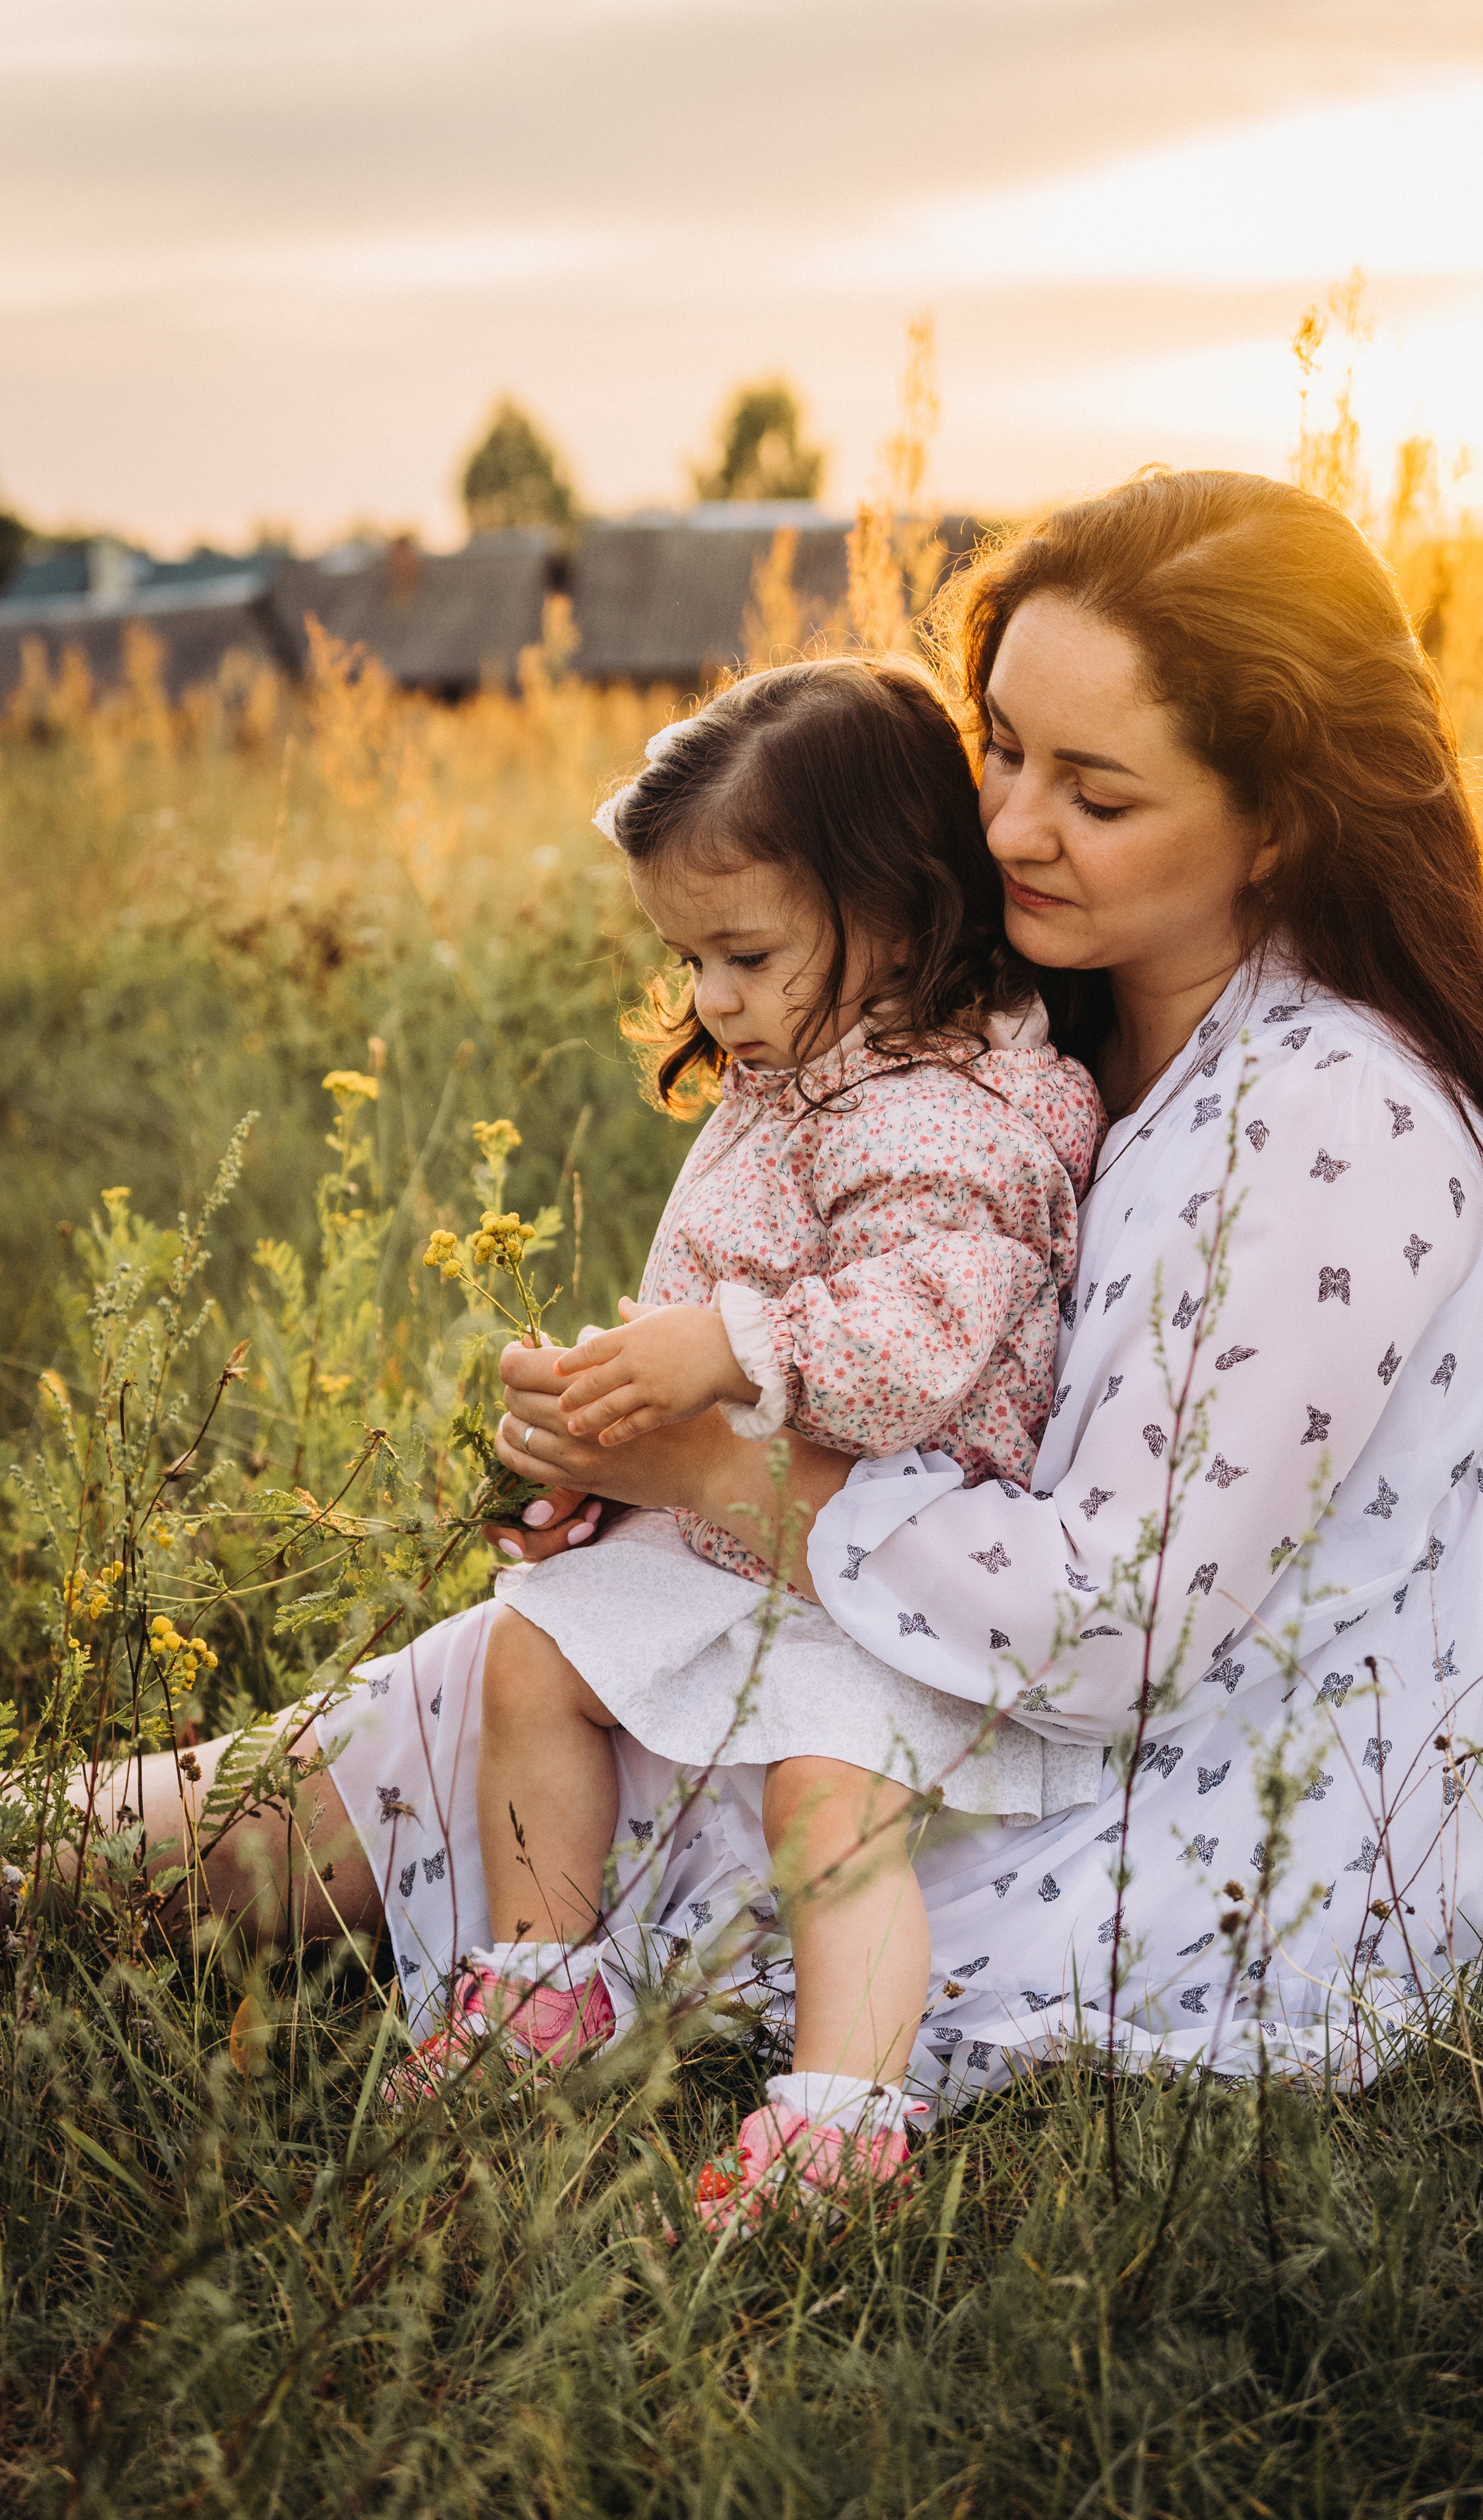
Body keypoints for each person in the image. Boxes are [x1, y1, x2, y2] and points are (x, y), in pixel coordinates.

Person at [50, 470, 1483, 2238]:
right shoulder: (1075, 1015)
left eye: (1095, 790)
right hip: (1081, 1669)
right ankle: (64, 1849)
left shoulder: (1329, 1118)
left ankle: (92, 1872)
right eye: (1003, 748)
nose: (1016, 824)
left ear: (1277, 823)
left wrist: (703, 1472)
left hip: (1267, 1794)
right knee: (530, 1673)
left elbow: (1114, 1619)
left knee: (556, 1721)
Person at [396, 658, 1106, 2171]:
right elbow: (743, 1296)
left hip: (885, 1554)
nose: (710, 1002)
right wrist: (601, 1428)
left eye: (741, 954)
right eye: (688, 960)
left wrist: (717, 1346)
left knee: (823, 1797)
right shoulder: (803, 1059)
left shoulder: (947, 1113)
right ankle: (544, 1987)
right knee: (532, 1657)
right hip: (742, 1522)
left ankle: (845, 2116)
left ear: (899, 913)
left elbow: (911, 1355)